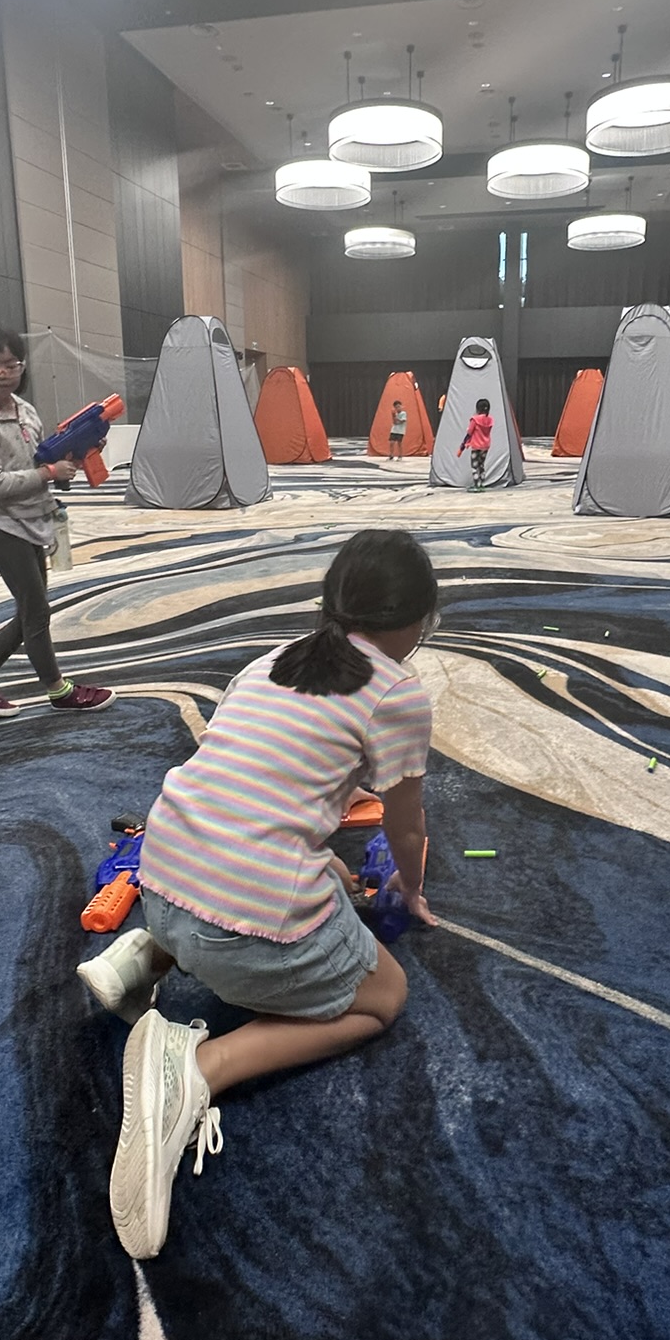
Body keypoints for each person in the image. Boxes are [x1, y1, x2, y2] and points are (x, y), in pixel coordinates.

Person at [82, 528, 438, 1259]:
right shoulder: (398, 692)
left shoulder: (272, 660)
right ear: (417, 620)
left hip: (159, 880)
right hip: (237, 931)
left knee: (285, 876)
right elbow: (406, 824)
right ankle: (197, 1069)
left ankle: (141, 958)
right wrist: (410, 884)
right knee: (384, 997)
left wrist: (325, 839)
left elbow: (245, 785)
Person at [0, 319, 113, 717]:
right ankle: (59, 690)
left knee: (29, 614)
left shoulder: (26, 410)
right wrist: (48, 473)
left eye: (12, 365)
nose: (2, 373)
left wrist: (72, 459)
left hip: (35, 522)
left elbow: (42, 464)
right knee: (36, 613)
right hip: (3, 529)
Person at [459, 395, 493, 489]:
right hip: (486, 446)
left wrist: (464, 444)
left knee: (475, 466)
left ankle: (476, 485)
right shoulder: (490, 420)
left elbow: (469, 432)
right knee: (481, 465)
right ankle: (482, 484)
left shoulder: (475, 420)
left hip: (476, 446)